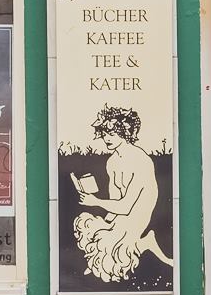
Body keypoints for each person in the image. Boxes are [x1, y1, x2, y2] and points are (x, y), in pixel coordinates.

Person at [72, 106, 173, 282]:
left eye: (112, 134)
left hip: (137, 215)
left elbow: (127, 206)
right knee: (86, 226)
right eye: (104, 133)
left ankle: (144, 243)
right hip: (121, 213)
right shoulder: (112, 161)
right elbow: (115, 200)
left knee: (110, 255)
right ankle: (135, 245)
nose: (106, 138)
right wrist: (107, 222)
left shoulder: (140, 160)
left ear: (125, 132)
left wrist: (95, 201)